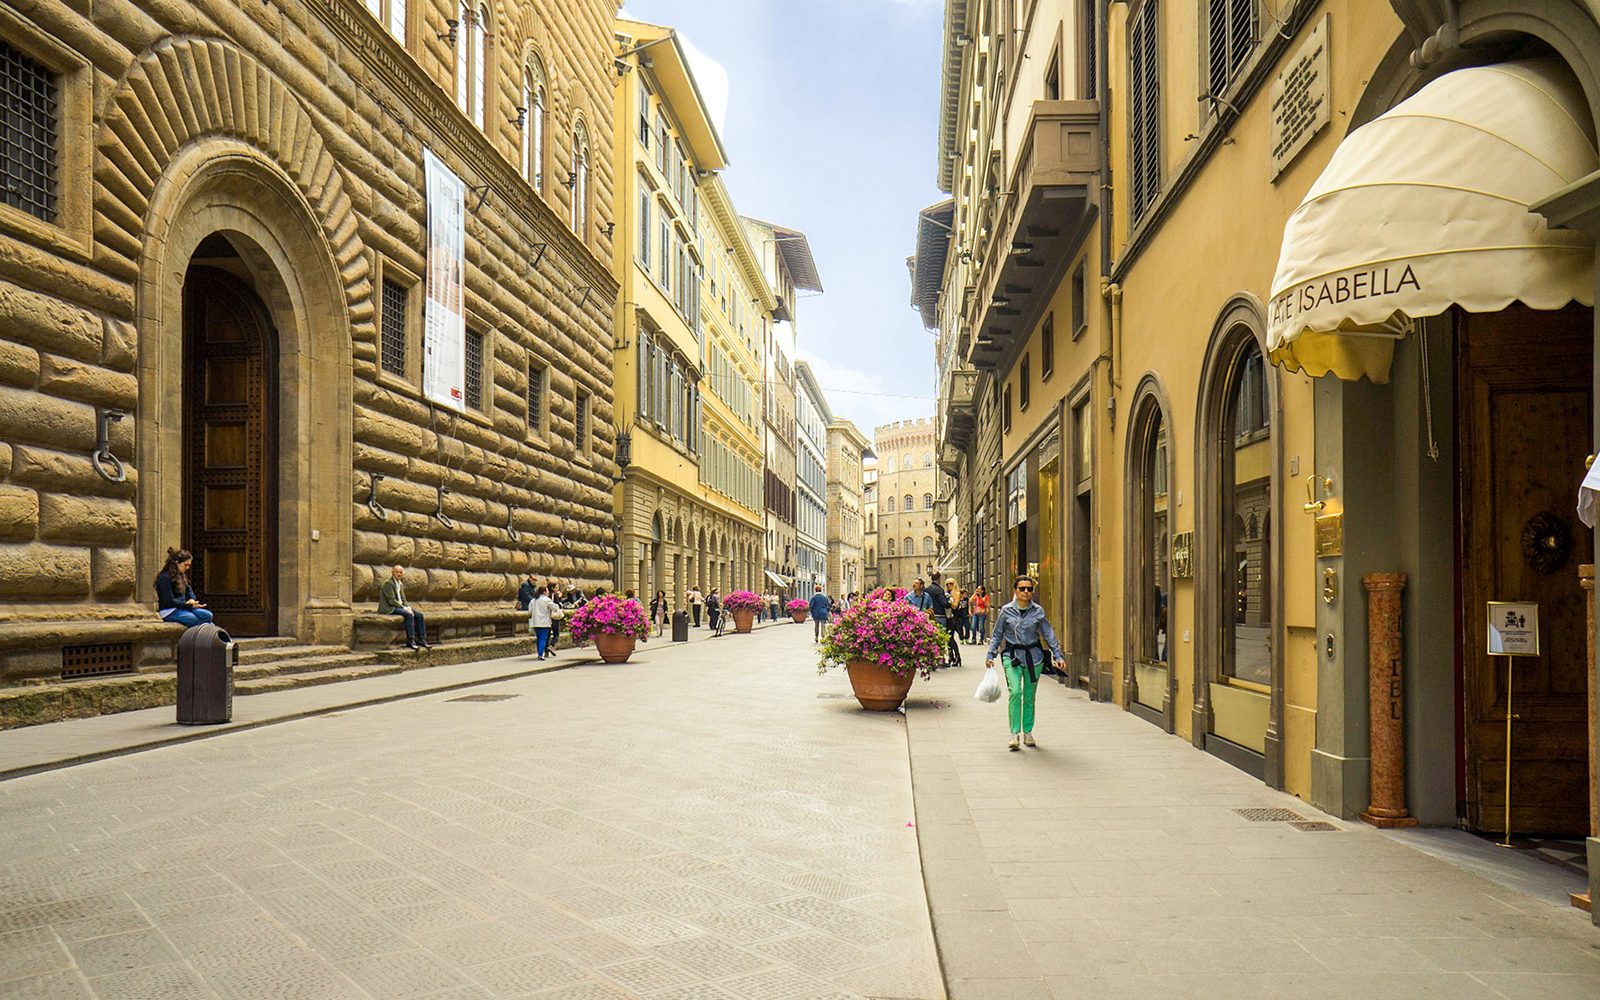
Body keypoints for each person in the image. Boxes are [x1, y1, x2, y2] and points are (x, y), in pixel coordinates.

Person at [986, 574, 1066, 751]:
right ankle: (1014, 733)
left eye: (1029, 589)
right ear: (1015, 590)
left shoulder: (1038, 611)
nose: (1026, 592)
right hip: (1012, 656)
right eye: (1022, 588)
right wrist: (990, 655)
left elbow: (1048, 633)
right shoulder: (1006, 611)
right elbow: (997, 634)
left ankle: (1028, 731)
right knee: (1015, 691)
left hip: (1034, 657)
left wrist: (1058, 656)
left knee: (1029, 696)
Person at [155, 548, 212, 628]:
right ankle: (209, 633)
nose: (188, 568)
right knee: (193, 619)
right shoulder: (165, 577)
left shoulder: (181, 576)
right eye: (185, 565)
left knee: (207, 615)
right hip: (170, 610)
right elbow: (169, 601)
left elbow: (189, 590)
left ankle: (210, 632)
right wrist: (188, 606)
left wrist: (192, 599)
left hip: (183, 608)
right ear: (177, 563)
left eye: (189, 565)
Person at [379, 565, 429, 650]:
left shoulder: (400, 584)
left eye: (400, 572)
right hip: (390, 608)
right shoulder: (388, 583)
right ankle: (410, 640)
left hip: (400, 606)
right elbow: (392, 600)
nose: (399, 574)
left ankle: (422, 639)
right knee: (409, 615)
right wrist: (404, 608)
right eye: (397, 572)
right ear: (393, 573)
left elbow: (403, 599)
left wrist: (407, 606)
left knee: (419, 615)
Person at [927, 571, 961, 668]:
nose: (949, 585)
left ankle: (957, 657)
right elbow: (944, 603)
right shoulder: (942, 591)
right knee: (947, 639)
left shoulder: (956, 593)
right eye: (947, 584)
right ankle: (951, 657)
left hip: (952, 618)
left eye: (951, 583)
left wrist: (949, 601)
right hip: (945, 617)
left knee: (950, 638)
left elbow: (954, 606)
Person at [528, 585, 556, 659]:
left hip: (535, 622)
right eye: (547, 591)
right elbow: (554, 608)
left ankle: (539, 652)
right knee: (543, 638)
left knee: (539, 638)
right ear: (544, 592)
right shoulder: (547, 600)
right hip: (544, 622)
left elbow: (530, 610)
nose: (548, 592)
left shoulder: (533, 600)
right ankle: (540, 654)